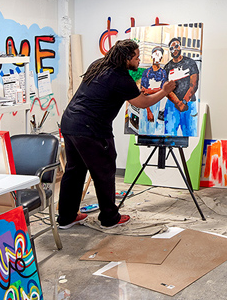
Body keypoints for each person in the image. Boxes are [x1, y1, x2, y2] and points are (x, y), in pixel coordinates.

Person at [57, 39, 176, 229]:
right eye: (137, 57)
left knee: (74, 170)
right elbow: (143, 103)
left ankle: (66, 217)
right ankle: (109, 218)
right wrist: (164, 91)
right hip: (91, 129)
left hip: (70, 123)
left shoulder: (98, 64)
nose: (139, 61)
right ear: (127, 58)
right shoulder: (120, 77)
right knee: (104, 171)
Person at [163, 38, 200, 136]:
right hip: (172, 105)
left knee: (190, 134)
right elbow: (165, 89)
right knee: (169, 135)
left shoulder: (190, 63)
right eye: (172, 48)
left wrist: (183, 102)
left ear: (180, 47)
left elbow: (194, 85)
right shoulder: (167, 67)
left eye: (176, 46)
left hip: (189, 103)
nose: (174, 49)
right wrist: (177, 103)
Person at [138, 46, 168, 134]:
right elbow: (143, 92)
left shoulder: (163, 73)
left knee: (153, 131)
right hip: (145, 105)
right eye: (155, 54)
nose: (157, 57)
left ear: (161, 58)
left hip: (158, 105)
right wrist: (148, 110)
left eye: (159, 55)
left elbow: (163, 90)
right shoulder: (146, 72)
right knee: (143, 130)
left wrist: (149, 91)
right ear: (151, 56)